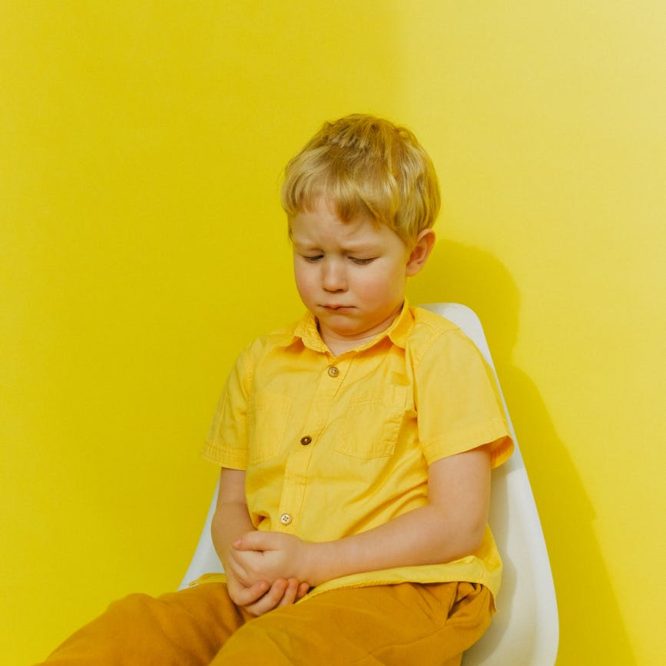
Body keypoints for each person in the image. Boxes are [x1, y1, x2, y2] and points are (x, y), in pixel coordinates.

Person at [39, 114, 513, 665]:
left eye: (359, 259)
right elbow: (233, 505)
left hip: (405, 591)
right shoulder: (262, 363)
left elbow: (457, 524)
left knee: (267, 656)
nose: (331, 280)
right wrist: (244, 564)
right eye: (312, 256)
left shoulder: (438, 355)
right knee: (122, 638)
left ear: (416, 253)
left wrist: (315, 562)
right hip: (277, 595)